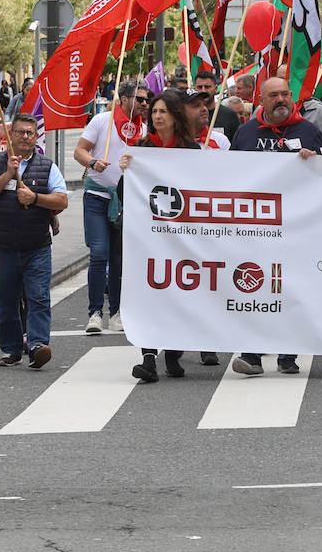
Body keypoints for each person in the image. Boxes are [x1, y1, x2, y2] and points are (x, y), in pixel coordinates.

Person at [229, 76, 322, 377]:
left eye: (285, 94)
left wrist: (314, 161)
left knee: (291, 290)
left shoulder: (309, 131)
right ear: (262, 100)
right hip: (256, 229)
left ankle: (288, 355)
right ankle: (251, 354)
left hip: (296, 228)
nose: (281, 100)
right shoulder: (246, 133)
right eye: (274, 95)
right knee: (255, 290)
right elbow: (228, 175)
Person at [116, 92, 201, 382]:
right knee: (148, 295)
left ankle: (175, 351)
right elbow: (123, 193)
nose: (157, 116)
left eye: (163, 111)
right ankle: (149, 358)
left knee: (180, 295)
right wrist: (126, 172)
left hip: (183, 238)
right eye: (154, 111)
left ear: (176, 115)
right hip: (149, 238)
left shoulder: (191, 150)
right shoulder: (141, 149)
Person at [0, 113, 67, 369]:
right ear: (11, 135)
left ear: (35, 137)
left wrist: (35, 199)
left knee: (38, 297)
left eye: (30, 133)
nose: (26, 137)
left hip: (37, 246)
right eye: (20, 132)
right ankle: (11, 349)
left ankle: (38, 345)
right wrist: (7, 174)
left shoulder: (47, 166)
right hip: (3, 245)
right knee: (7, 299)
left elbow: (62, 200)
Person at [73, 80, 150, 333]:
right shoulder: (102, 121)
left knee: (119, 258)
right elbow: (80, 151)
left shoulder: (145, 130)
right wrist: (93, 161)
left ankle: (116, 312)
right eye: (139, 99)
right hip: (97, 197)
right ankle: (95, 312)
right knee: (99, 253)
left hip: (125, 201)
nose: (144, 104)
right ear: (124, 99)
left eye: (146, 100)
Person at [196, 71, 240, 143]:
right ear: (195, 89)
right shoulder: (190, 116)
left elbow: (237, 145)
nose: (203, 90)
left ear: (216, 88)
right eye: (199, 87)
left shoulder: (230, 115)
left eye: (207, 87)